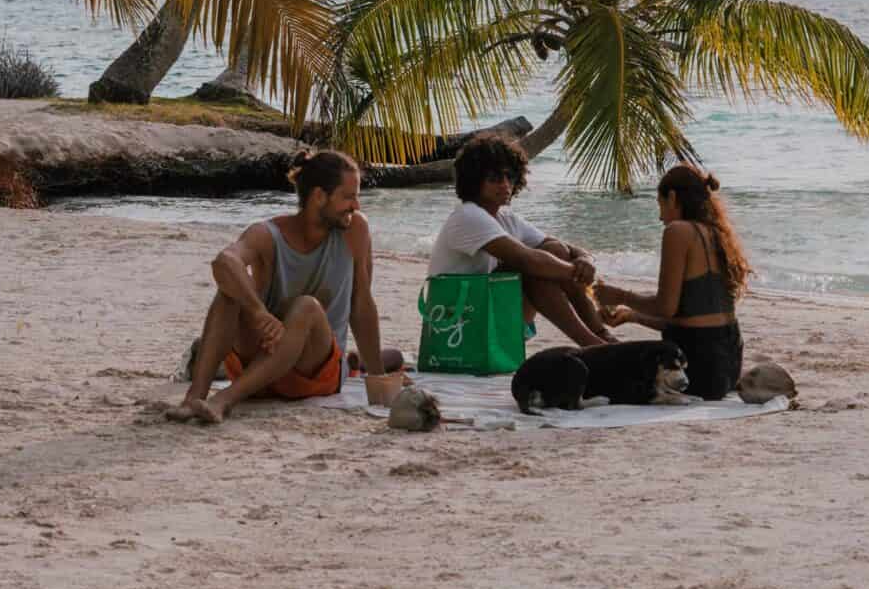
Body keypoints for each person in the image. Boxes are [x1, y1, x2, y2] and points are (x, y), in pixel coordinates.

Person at [165, 149, 401, 425]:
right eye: (348, 197)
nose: (356, 206)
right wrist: (257, 312)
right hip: (260, 370)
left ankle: (223, 400)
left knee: (307, 307)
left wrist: (376, 377)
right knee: (229, 290)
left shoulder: (355, 231)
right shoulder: (268, 235)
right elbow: (224, 262)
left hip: (314, 372)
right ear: (318, 197)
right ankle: (195, 397)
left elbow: (361, 304)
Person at [427, 135, 614, 349]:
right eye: (495, 178)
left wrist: (586, 260)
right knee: (534, 268)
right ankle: (593, 344)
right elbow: (527, 260)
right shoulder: (468, 216)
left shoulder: (505, 218)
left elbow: (562, 248)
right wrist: (578, 275)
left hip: (483, 316)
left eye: (510, 176)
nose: (505, 184)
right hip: (457, 325)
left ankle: (602, 336)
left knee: (554, 250)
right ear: (474, 180)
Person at [594, 162, 750, 399]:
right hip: (729, 364)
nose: (660, 217)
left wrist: (619, 296)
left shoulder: (678, 231)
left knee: (607, 364)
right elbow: (693, 319)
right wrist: (632, 316)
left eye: (660, 205)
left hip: (696, 367)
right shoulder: (717, 233)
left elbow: (665, 308)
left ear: (673, 197)